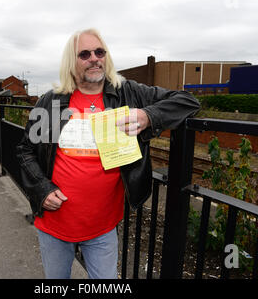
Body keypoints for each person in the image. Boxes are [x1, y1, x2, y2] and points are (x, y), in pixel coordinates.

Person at [16, 28, 200, 279]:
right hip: (54, 226)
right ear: (72, 62)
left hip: (102, 228)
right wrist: (41, 189)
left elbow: (188, 101)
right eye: (84, 54)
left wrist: (148, 116)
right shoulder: (52, 102)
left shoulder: (128, 93)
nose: (94, 58)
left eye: (99, 52)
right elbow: (26, 150)